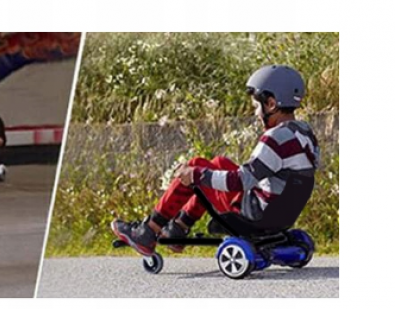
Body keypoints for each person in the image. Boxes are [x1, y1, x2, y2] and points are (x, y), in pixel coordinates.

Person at [111, 65, 319, 256]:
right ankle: (179, 227)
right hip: (280, 212)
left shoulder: (274, 139)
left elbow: (241, 181)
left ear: (271, 104)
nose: (255, 113)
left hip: (256, 213)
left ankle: (148, 231)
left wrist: (197, 175)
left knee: (195, 168)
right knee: (218, 163)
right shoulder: (304, 133)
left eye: (256, 106)